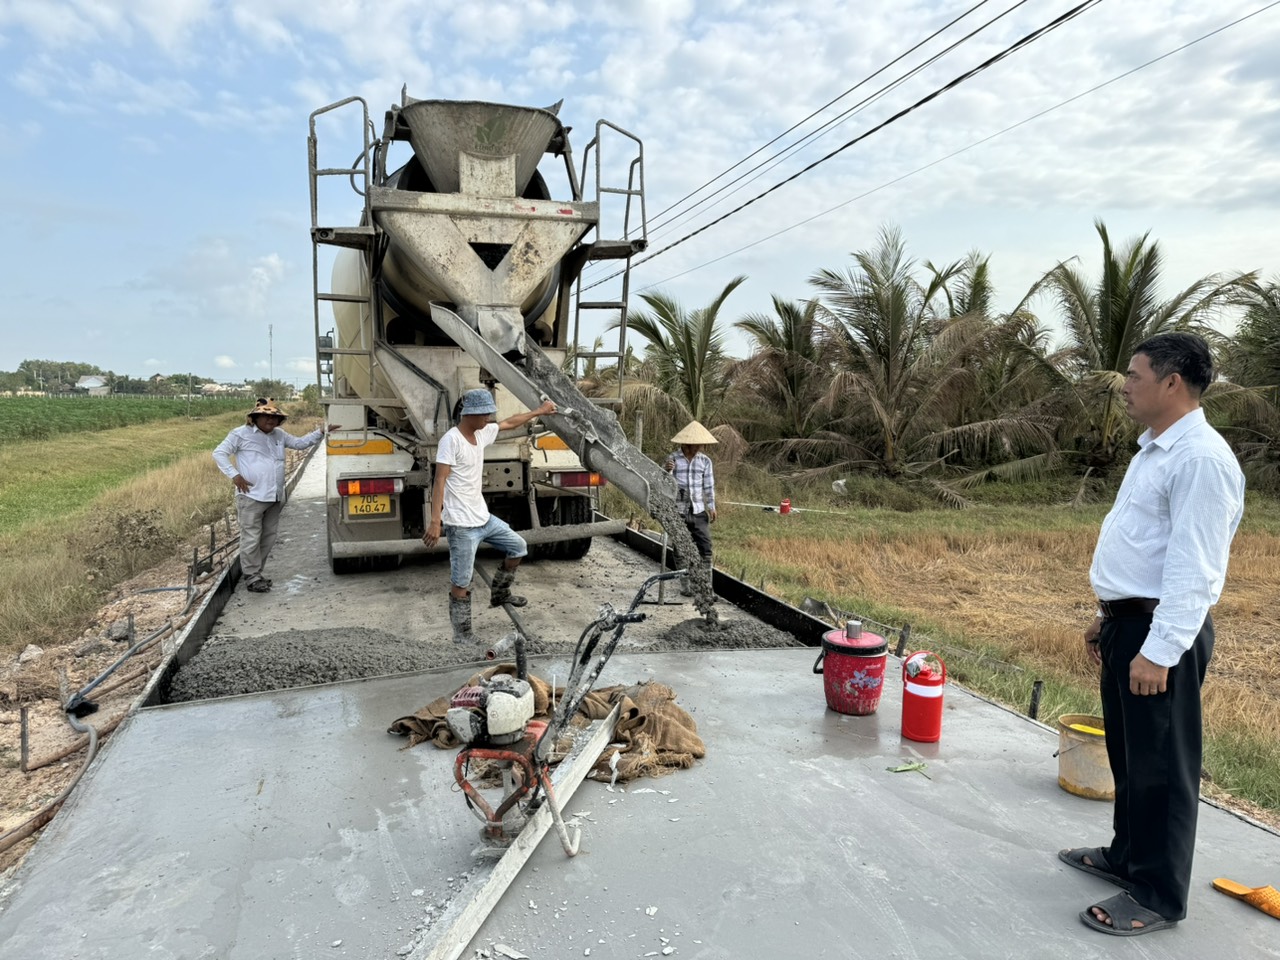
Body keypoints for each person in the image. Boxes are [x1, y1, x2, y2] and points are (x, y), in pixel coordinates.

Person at [1060, 333, 1245, 937]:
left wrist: (1159, 651)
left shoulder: (1200, 459)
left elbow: (1195, 569)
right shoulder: (1156, 451)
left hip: (1161, 631)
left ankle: (1159, 895)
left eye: (1135, 376)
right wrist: (1108, 615)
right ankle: (1125, 857)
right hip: (1129, 621)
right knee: (1130, 754)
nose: (1127, 387)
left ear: (1171, 382)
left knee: (1163, 766)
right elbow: (1142, 549)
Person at [424, 388, 557, 643]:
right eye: (484, 414)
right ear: (470, 414)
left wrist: (539, 411)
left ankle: (500, 593)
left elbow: (509, 422)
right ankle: (462, 636)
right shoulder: (451, 440)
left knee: (518, 546)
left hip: (483, 519)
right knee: (461, 582)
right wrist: (435, 521)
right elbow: (439, 481)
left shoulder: (481, 433)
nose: (489, 418)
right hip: (461, 525)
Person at [213, 398, 335, 594]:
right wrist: (234, 475)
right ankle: (252, 577)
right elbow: (219, 453)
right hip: (251, 495)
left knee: (268, 537)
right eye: (266, 417)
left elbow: (299, 443)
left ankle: (256, 573)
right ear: (255, 418)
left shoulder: (279, 435)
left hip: (274, 495)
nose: (270, 421)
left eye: (275, 418)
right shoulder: (240, 434)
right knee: (251, 538)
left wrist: (320, 432)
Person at [663, 421, 718, 596]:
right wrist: (665, 470)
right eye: (698, 444)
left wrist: (711, 506)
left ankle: (706, 588)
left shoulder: (705, 461)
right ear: (688, 444)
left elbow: (708, 485)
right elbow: (663, 482)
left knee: (705, 546)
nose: (700, 447)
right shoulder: (672, 459)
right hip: (678, 510)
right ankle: (685, 587)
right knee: (680, 548)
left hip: (698, 510)